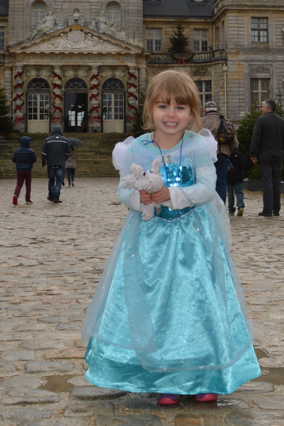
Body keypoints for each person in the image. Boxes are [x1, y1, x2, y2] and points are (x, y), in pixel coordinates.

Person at [81, 70, 261, 407]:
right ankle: (165, 378)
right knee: (156, 305)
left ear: (192, 113)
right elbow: (123, 190)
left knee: (196, 302)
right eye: (163, 106)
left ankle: (205, 375)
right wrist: (140, 199)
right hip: (149, 239)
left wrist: (172, 195)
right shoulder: (137, 147)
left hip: (193, 237)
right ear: (150, 108)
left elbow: (207, 188)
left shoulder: (197, 146)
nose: (171, 114)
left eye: (180, 107)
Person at [249, 99, 284, 217]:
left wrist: (253, 154)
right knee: (276, 183)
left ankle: (267, 210)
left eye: (262, 106)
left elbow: (256, 138)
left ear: (267, 108)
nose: (261, 108)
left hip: (265, 157)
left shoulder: (261, 120)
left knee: (267, 183)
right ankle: (276, 209)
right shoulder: (282, 121)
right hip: (278, 157)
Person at [200, 101, 237, 204]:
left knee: (204, 183)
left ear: (205, 110)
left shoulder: (200, 122)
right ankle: (220, 208)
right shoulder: (225, 121)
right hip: (221, 154)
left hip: (204, 156)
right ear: (216, 109)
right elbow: (234, 142)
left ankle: (207, 207)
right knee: (221, 183)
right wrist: (228, 151)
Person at [43, 125, 71, 203]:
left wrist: (43, 162)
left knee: (51, 180)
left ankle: (51, 195)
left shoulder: (48, 140)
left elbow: (44, 153)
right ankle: (56, 196)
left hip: (51, 163)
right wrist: (64, 158)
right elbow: (68, 152)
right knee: (59, 181)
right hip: (61, 163)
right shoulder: (65, 140)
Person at [11, 136, 37, 206]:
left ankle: (16, 195)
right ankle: (27, 199)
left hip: (19, 170)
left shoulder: (17, 151)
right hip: (28, 170)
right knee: (28, 184)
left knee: (19, 184)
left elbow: (13, 160)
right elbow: (34, 160)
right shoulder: (30, 151)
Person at [226, 148, 252, 216]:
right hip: (238, 176)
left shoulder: (225, 155)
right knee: (239, 192)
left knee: (230, 194)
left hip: (228, 177)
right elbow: (243, 165)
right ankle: (240, 206)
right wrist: (251, 162)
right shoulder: (238, 155)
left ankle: (231, 210)